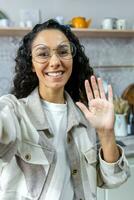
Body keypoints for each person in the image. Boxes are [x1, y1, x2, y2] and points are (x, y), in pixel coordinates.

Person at [0, 19, 130, 200]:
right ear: (31, 63)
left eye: (63, 52)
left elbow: (114, 179)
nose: (54, 62)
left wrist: (106, 132)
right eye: (43, 54)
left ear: (72, 59)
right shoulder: (14, 111)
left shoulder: (86, 117)